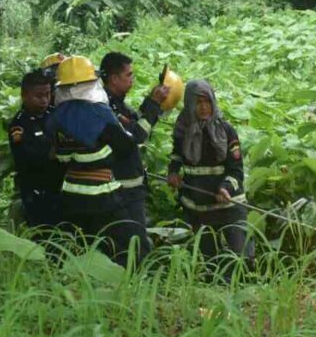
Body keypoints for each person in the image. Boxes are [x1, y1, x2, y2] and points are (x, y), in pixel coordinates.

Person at [47, 55, 144, 266]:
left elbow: (56, 153)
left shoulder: (55, 116)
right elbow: (126, 146)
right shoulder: (98, 112)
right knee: (131, 248)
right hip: (101, 192)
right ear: (91, 83)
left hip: (71, 193)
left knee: (82, 246)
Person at [168, 80, 252, 280]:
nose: (204, 107)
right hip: (199, 209)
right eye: (198, 103)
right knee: (209, 262)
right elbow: (176, 156)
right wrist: (173, 172)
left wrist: (225, 189)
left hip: (228, 205)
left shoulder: (226, 130)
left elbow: (236, 170)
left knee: (241, 259)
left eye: (207, 102)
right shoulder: (182, 130)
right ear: (189, 104)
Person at [99, 52, 170, 261]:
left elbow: (135, 122)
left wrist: (151, 102)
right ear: (114, 78)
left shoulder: (118, 103)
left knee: (132, 242)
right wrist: (154, 105)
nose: (132, 80)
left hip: (130, 188)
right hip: (123, 190)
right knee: (134, 246)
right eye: (129, 75)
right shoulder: (107, 107)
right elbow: (136, 136)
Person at [9, 64, 64, 230]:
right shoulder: (20, 125)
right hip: (37, 192)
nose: (45, 100)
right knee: (45, 235)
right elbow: (32, 157)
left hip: (59, 188)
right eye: (39, 96)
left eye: (48, 94)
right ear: (24, 96)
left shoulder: (52, 114)